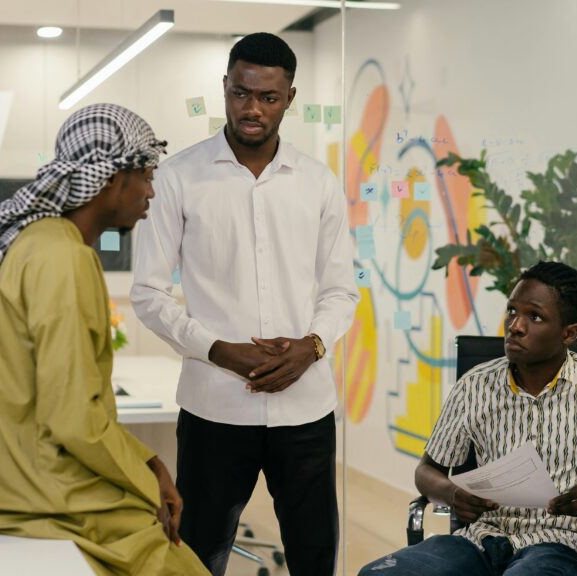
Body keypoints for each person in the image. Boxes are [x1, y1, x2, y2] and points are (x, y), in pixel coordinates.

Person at [131, 32, 359, 576]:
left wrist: (312, 346)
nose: (252, 108)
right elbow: (148, 292)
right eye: (241, 93)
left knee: (315, 557)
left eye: (268, 97)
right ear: (225, 88)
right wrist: (216, 350)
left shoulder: (318, 182)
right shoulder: (178, 177)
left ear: (290, 98)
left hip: (305, 409)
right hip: (214, 407)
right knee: (196, 558)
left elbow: (340, 289)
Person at [0, 103, 208, 576]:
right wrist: (148, 480)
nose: (151, 192)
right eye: (146, 175)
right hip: (45, 495)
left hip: (3, 485)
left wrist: (148, 461)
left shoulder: (33, 244)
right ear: (111, 179)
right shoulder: (64, 259)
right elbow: (73, 420)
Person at [359, 262, 577, 576]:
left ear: (569, 333)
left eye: (534, 317)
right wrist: (451, 494)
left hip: (563, 544)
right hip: (481, 540)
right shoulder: (476, 385)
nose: (515, 326)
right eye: (512, 311)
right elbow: (427, 471)